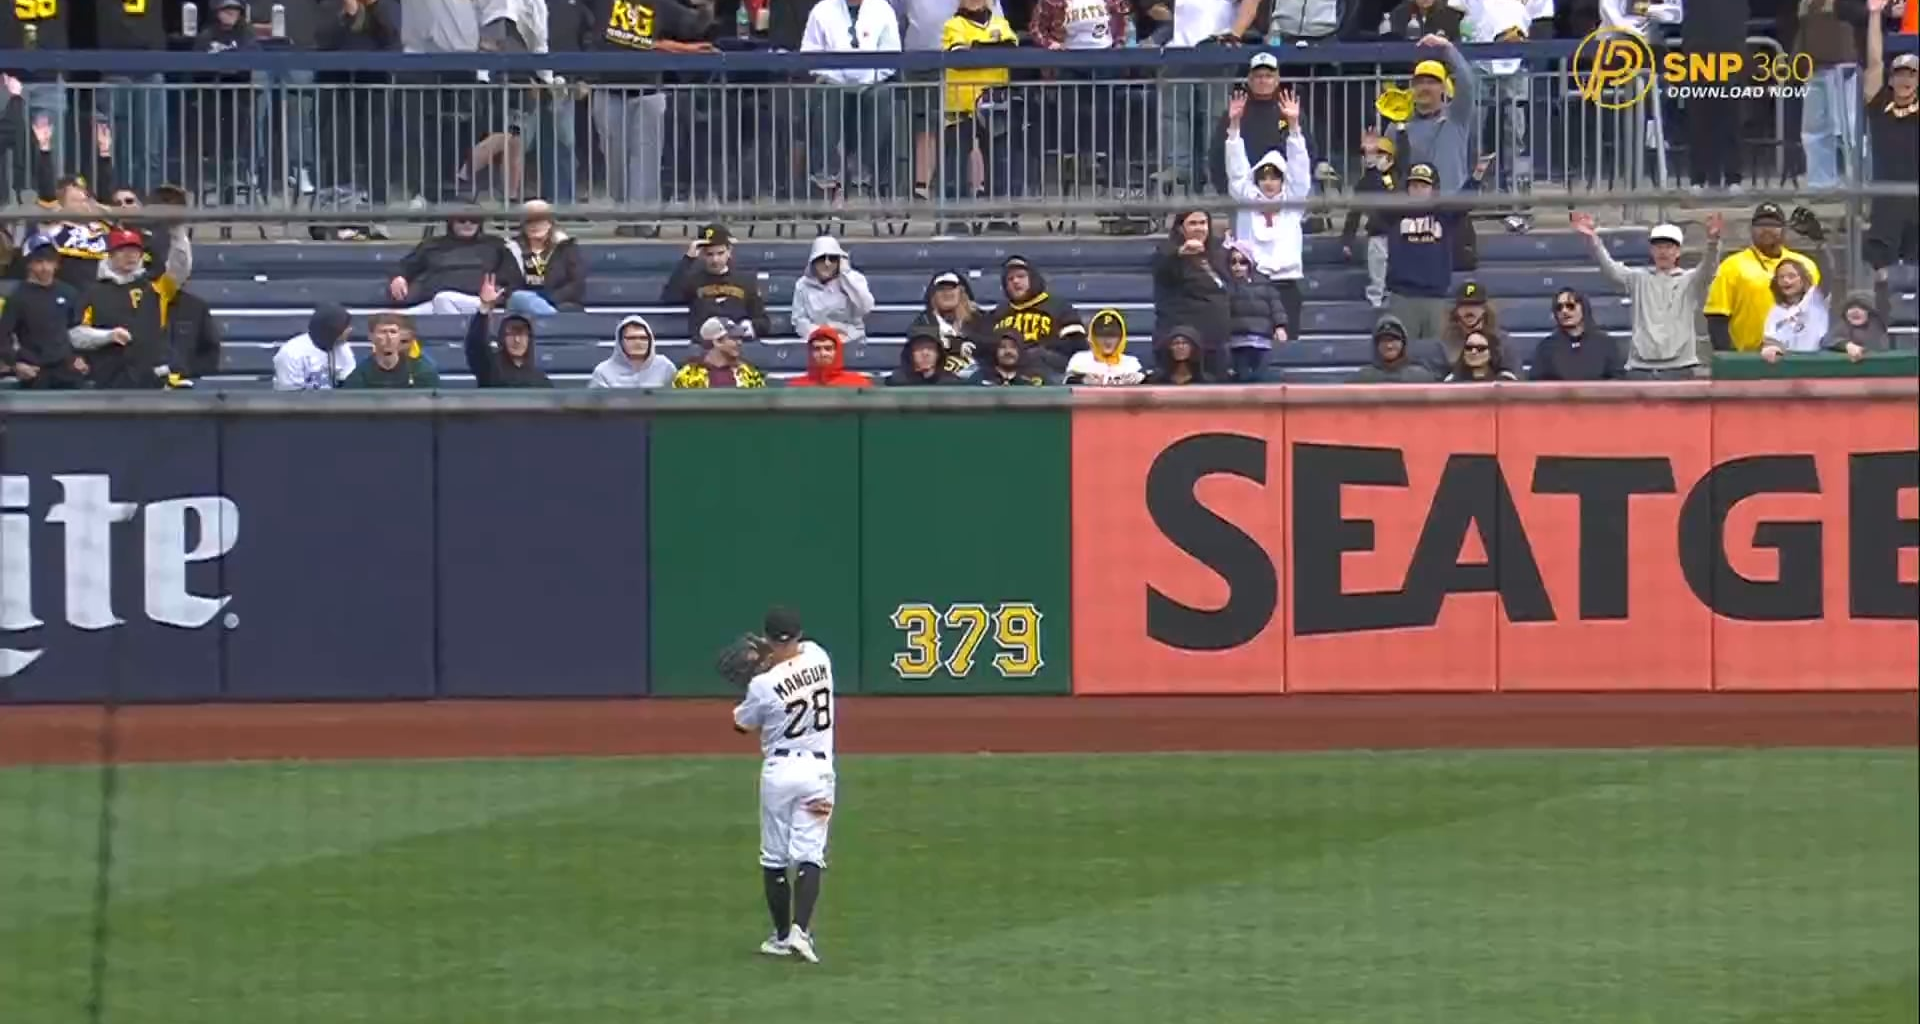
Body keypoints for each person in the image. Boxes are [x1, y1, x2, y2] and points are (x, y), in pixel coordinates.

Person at [731, 606, 838, 965]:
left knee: (774, 857)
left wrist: (756, 676)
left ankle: (780, 938)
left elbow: (742, 725)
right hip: (819, 774)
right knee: (810, 853)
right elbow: (796, 660)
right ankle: (800, 932)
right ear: (799, 634)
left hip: (779, 773)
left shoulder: (763, 685)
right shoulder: (820, 656)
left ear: (766, 637)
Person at [1572, 211, 1722, 378]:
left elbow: (1709, 268)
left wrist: (1713, 242)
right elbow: (1610, 269)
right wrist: (1593, 240)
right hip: (1640, 368)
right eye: (1658, 247)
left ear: (1678, 251)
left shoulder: (1689, 280)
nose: (1663, 252)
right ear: (1651, 250)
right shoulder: (1638, 278)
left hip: (1679, 367)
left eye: (1668, 247)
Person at [1223, 87, 1311, 333]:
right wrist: (1234, 126)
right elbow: (1237, 170)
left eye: (1275, 177)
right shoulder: (1247, 200)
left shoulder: (1293, 202)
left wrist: (1294, 127)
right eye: (1263, 178)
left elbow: (1300, 168)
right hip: (1254, 283)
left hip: (1287, 282)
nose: (1269, 183)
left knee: (1288, 345)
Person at [69, 225, 193, 389]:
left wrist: (178, 232)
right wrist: (108, 336)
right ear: (110, 255)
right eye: (123, 251)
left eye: (135, 251)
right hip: (110, 380)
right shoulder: (93, 292)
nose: (131, 256)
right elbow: (76, 336)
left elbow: (180, 268)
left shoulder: (156, 287)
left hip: (153, 379)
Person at [938, 0, 1020, 234]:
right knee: (955, 165)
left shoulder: (1001, 23)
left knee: (1000, 163)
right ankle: (956, 219)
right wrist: (993, 49)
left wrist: (977, 48)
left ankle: (999, 218)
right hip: (960, 106)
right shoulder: (953, 25)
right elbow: (960, 58)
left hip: (995, 104)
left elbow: (1012, 51)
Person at [1387, 159, 1486, 341]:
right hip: (1402, 296)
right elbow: (1375, 197)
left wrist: (1477, 175)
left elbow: (1464, 201)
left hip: (1436, 297)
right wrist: (1378, 170)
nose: (1418, 190)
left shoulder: (1444, 214)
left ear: (1433, 190)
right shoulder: (1394, 213)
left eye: (1424, 186)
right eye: (1414, 185)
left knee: (1436, 352)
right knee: (1403, 349)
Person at [1863, 0, 1917, 320]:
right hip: (1886, 200)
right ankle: (1881, 325)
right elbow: (1873, 63)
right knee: (1881, 272)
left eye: (1911, 74)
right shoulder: (1880, 105)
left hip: (1917, 197)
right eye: (1899, 74)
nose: (1904, 80)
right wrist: (1874, 16)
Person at [1705, 203, 1822, 352]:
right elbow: (1717, 316)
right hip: (1749, 357)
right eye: (1761, 225)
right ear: (1751, 229)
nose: (1767, 229)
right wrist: (1729, 358)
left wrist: (1822, 245)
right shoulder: (1731, 266)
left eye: (1773, 225)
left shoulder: (1806, 265)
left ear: (1784, 229)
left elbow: (1818, 311)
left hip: (1798, 355)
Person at [388, 210, 525, 315]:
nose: (467, 224)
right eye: (462, 220)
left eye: (473, 220)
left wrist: (499, 294)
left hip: (481, 304)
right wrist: (399, 277)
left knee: (443, 299)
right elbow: (407, 265)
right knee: (391, 317)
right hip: (433, 303)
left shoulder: (495, 245)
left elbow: (513, 278)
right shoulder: (432, 245)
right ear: (451, 222)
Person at [0, 235, 87, 389]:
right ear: (29, 264)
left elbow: (78, 330)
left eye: (49, 261)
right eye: (39, 262)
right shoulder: (17, 297)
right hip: (35, 371)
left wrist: (80, 358)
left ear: (56, 263)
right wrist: (16, 364)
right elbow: (3, 337)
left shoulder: (69, 292)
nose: (45, 267)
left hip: (68, 370)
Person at [1153, 209, 1231, 376]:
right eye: (1193, 223)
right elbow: (1161, 267)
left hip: (1217, 343)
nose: (1199, 228)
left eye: (1203, 223)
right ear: (1180, 228)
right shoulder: (1167, 252)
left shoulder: (1218, 254)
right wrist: (1180, 252)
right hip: (1184, 348)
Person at [663, 224, 773, 339]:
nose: (715, 260)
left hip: (736, 342)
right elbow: (670, 298)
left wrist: (746, 327)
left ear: (729, 251)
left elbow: (764, 322)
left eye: (720, 253)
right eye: (709, 254)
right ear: (702, 254)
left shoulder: (745, 281)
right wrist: (688, 258)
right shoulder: (693, 280)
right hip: (704, 344)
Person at [989, 256, 1082, 372]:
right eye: (1010, 279)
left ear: (1033, 279)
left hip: (1048, 371)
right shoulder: (999, 313)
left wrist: (1042, 352)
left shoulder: (1058, 307)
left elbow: (1077, 346)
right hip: (1007, 373)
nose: (1015, 281)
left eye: (1021, 276)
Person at [463, 274, 554, 387]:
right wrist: (485, 307)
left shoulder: (540, 379)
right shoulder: (490, 367)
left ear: (529, 339)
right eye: (511, 334)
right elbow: (475, 345)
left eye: (521, 334)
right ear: (502, 338)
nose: (517, 340)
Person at [1340, 131, 1397, 309]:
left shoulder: (1400, 177)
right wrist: (1347, 240)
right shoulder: (1366, 182)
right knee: (1377, 271)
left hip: (1400, 234)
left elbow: (1405, 154)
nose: (1372, 157)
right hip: (1377, 234)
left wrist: (1401, 131)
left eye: (1379, 154)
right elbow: (1354, 213)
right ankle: (1376, 303)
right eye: (1369, 154)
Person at [505, 200, 586, 315]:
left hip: (558, 302)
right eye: (530, 222)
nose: (535, 226)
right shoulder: (512, 249)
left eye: (540, 221)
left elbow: (577, 284)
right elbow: (509, 286)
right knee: (519, 297)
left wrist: (549, 299)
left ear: (550, 223)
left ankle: (549, 316)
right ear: (523, 225)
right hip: (522, 305)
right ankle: (552, 319)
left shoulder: (566, 247)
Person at [791, 236, 876, 346]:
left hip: (850, 341)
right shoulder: (802, 285)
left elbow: (866, 307)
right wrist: (823, 335)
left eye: (832, 258)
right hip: (817, 343)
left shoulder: (854, 279)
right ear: (813, 261)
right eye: (821, 258)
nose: (827, 263)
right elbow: (799, 320)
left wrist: (846, 276)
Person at [1224, 241, 1288, 383]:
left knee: (1261, 379)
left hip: (1262, 341)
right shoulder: (1227, 287)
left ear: (1250, 264)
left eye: (1242, 262)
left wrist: (1280, 326)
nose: (1237, 266)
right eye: (1233, 262)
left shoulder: (1264, 284)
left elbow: (1276, 306)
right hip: (1238, 342)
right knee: (1243, 379)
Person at [1529, 289, 1625, 381]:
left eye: (1570, 306)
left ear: (1583, 308)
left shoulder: (1605, 344)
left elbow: (1618, 380)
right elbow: (1536, 384)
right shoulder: (1546, 348)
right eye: (1559, 308)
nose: (1564, 311)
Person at [911, 270, 993, 374]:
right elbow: (921, 341)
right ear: (933, 296)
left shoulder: (981, 319)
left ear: (962, 293)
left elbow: (991, 344)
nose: (946, 293)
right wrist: (957, 345)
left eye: (951, 288)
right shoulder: (923, 322)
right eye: (941, 289)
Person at [1758, 260, 1833, 362]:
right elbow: (1771, 339)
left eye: (1791, 276)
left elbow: (1829, 276)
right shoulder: (1775, 311)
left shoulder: (1816, 298)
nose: (1786, 280)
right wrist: (1771, 348)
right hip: (1791, 364)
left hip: (1818, 361)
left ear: (1803, 279)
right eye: (1781, 277)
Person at [272, 303, 357, 391]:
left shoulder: (341, 347)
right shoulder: (291, 353)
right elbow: (290, 394)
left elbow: (349, 381)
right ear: (332, 330)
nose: (351, 329)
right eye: (345, 327)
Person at [673, 317, 768, 388]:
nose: (739, 342)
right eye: (734, 338)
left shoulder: (748, 373)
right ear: (717, 342)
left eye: (740, 338)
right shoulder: (689, 375)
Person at [589, 314, 676, 388]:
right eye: (631, 338)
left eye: (643, 338)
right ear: (620, 341)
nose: (638, 342)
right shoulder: (602, 372)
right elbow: (594, 402)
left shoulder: (666, 367)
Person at [1063, 309, 1145, 385]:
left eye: (1112, 335)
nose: (1107, 341)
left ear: (1121, 338)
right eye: (1101, 336)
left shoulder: (1131, 364)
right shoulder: (1080, 360)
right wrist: (1082, 380)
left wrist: (1139, 380)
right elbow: (1067, 385)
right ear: (1093, 337)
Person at [1351, 315, 1437, 382]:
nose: (1389, 346)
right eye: (1384, 341)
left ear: (1403, 343)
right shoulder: (1363, 378)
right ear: (1376, 345)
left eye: (1393, 340)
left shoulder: (1421, 377)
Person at [787, 326, 873, 387]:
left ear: (837, 351)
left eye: (828, 348)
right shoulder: (796, 386)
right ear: (810, 352)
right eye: (817, 349)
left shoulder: (858, 384)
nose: (823, 353)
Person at [887, 327, 966, 386]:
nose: (925, 353)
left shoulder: (951, 383)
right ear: (910, 353)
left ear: (938, 353)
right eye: (919, 348)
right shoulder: (897, 381)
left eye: (930, 348)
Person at [976, 329, 1056, 385]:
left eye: (1013, 347)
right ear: (995, 350)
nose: (1008, 351)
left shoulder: (1033, 379)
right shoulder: (980, 377)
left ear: (1020, 351)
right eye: (1002, 347)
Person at [1826, 291, 1889, 362]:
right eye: (1850, 308)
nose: (1855, 311)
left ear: (1869, 313)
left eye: (1861, 308)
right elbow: (1827, 340)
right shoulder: (1843, 326)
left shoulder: (1876, 325)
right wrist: (1847, 345)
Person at [1442, 330, 1518, 382]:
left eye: (1480, 348)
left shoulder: (1506, 382)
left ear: (1491, 353)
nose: (1473, 352)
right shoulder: (1451, 381)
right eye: (1469, 348)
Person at [1145, 327, 1213, 385]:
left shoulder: (1206, 382)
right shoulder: (1157, 380)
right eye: (1176, 343)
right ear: (1169, 348)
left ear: (1193, 347)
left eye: (1185, 343)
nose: (1180, 347)